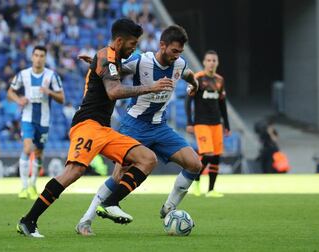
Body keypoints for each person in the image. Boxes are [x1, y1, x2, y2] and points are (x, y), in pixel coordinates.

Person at [17, 18, 173, 238]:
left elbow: (107, 73)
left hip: (104, 128)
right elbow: (113, 91)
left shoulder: (111, 58)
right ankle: (28, 221)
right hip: (87, 124)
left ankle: (110, 203)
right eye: (132, 44)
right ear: (119, 41)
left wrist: (94, 64)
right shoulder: (107, 56)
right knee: (74, 171)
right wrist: (150, 88)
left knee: (147, 159)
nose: (134, 48)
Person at [76, 25, 201, 236]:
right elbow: (117, 69)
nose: (177, 55)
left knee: (194, 164)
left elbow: (188, 74)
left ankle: (169, 207)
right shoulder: (142, 61)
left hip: (159, 126)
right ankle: (85, 220)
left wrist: (195, 85)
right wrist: (99, 66)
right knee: (118, 175)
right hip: (133, 125)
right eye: (174, 51)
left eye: (180, 52)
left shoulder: (179, 64)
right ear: (162, 45)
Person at [7, 45, 65, 200]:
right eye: (36, 55)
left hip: (44, 121)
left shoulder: (51, 76)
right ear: (32, 57)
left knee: (39, 153)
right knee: (27, 148)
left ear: (45, 58)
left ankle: (33, 185)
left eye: (41, 56)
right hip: (27, 118)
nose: (38, 58)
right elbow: (10, 92)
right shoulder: (23, 75)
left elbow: (62, 98)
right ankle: (24, 187)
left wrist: (49, 92)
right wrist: (19, 99)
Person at [186, 50, 230, 197]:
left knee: (216, 156)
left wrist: (227, 124)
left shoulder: (220, 80)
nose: (211, 63)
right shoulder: (198, 78)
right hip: (201, 123)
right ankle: (196, 184)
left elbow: (222, 104)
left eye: (214, 60)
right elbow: (188, 100)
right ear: (204, 62)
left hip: (217, 123)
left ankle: (211, 190)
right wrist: (189, 122)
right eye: (209, 60)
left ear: (217, 63)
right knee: (208, 154)